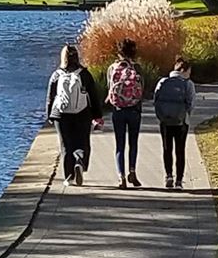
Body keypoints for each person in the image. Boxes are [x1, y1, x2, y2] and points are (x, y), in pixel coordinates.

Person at [46, 45, 103, 186]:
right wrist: (97, 115)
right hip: (82, 113)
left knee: (66, 146)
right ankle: (80, 162)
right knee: (82, 141)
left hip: (61, 114)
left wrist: (49, 115)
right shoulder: (84, 74)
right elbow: (93, 96)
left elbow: (50, 97)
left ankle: (69, 177)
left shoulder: (56, 75)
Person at [106, 38, 144, 189]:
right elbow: (142, 90)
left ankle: (121, 177)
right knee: (133, 143)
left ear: (118, 52)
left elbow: (109, 87)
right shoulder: (137, 68)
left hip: (118, 110)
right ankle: (132, 171)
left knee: (119, 145)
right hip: (134, 110)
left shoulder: (112, 68)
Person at [154, 56, 196, 190]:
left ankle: (168, 176)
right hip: (181, 121)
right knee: (180, 150)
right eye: (189, 71)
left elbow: (156, 100)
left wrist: (162, 115)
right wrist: (185, 115)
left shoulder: (163, 81)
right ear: (183, 70)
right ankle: (179, 181)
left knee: (167, 149)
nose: (189, 75)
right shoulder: (188, 84)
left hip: (165, 120)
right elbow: (191, 103)